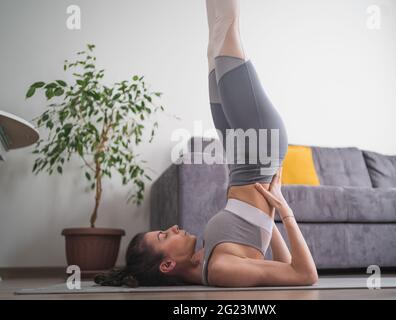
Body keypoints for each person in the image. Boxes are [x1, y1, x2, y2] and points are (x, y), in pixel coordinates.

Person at [94, 0, 318, 288]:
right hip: (262, 146)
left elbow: (276, 265)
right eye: (164, 236)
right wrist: (283, 209)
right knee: (228, 29)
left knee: (214, 45)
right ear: (167, 264)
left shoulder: (206, 260)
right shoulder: (221, 270)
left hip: (241, 158)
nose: (172, 228)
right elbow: (301, 274)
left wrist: (268, 218)